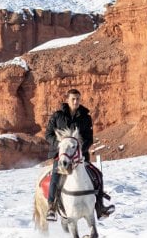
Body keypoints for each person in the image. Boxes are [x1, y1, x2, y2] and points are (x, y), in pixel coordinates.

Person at [44, 89, 114, 222]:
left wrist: (79, 150)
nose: (76, 101)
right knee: (55, 177)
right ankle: (52, 208)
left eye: (78, 99)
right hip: (62, 155)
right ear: (68, 100)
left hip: (80, 157)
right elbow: (48, 134)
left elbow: (89, 138)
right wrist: (62, 145)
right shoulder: (57, 116)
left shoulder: (85, 117)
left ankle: (100, 207)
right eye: (73, 99)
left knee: (97, 175)